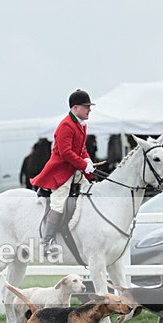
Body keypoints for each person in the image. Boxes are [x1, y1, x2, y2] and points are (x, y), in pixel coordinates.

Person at [30, 90, 96, 254]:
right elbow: (66, 153)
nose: (89, 110)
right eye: (86, 107)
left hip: (75, 170)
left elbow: (82, 149)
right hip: (61, 172)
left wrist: (87, 160)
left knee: (91, 192)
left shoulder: (81, 124)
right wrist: (82, 164)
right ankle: (46, 242)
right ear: (75, 108)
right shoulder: (66, 125)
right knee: (59, 204)